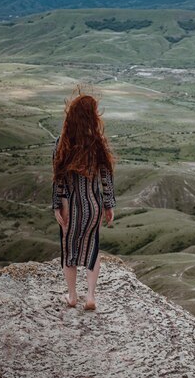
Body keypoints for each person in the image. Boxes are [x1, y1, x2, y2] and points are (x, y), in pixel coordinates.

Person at [52, 93, 116, 311]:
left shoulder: (62, 143)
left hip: (70, 206)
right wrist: (109, 205)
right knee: (93, 249)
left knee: (68, 252)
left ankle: (72, 296)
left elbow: (58, 178)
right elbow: (106, 177)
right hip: (94, 205)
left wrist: (57, 205)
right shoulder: (98, 144)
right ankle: (90, 296)